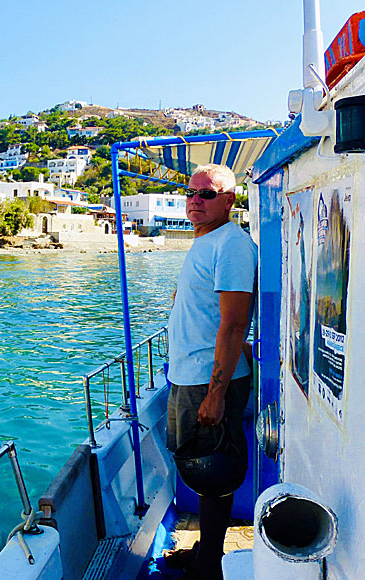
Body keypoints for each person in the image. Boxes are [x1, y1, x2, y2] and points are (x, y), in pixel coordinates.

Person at [165, 164, 256, 580]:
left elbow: (235, 323)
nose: (195, 200)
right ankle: (209, 552)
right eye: (191, 192)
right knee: (204, 468)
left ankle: (208, 567)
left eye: (207, 194)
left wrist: (217, 393)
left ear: (229, 201)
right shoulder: (205, 240)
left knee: (214, 469)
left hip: (208, 378)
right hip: (190, 374)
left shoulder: (232, 244)